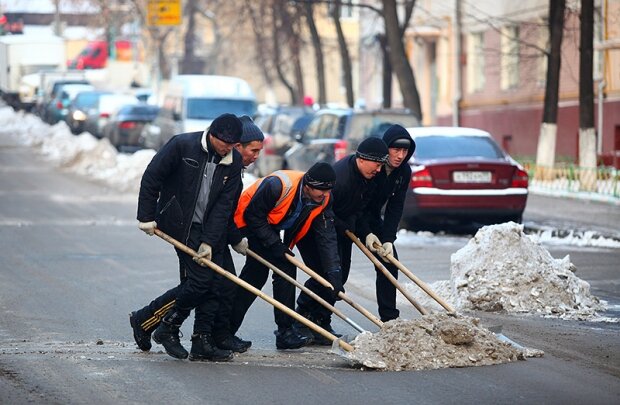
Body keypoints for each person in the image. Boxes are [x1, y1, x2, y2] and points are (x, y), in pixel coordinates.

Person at [129, 115, 264, 357]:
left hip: (209, 229)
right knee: (201, 283)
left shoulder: (232, 162)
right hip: (180, 224)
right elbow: (152, 177)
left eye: (233, 145)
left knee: (216, 284)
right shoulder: (182, 145)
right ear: (212, 134)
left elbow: (224, 207)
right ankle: (162, 325)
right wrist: (146, 215)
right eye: (225, 144)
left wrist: (210, 242)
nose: (228, 150)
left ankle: (198, 339)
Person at [228, 162, 342, 350]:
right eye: (321, 190)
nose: (325, 195)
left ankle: (283, 332)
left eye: (328, 190)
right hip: (246, 222)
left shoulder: (324, 199)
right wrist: (275, 245)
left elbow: (327, 238)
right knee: (257, 276)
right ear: (307, 186)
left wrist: (334, 274)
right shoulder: (278, 185)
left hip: (269, 226)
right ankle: (228, 331)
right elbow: (253, 216)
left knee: (281, 271)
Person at [295, 137, 388, 343]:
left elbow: (361, 209)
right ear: (362, 159)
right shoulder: (341, 179)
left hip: (341, 230)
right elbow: (322, 213)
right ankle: (301, 320)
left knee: (340, 276)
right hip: (315, 230)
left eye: (382, 165)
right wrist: (343, 226)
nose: (379, 170)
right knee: (323, 274)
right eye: (376, 164)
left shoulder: (369, 177)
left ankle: (321, 320)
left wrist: (366, 233)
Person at [360, 125, 416, 322]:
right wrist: (365, 232)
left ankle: (389, 319)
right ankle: (317, 316)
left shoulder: (403, 172)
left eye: (405, 151)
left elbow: (395, 207)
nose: (400, 156)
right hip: (351, 216)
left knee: (390, 264)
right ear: (386, 149)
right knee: (338, 270)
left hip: (373, 218)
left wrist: (388, 239)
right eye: (396, 150)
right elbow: (357, 205)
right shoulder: (373, 166)